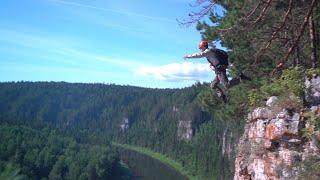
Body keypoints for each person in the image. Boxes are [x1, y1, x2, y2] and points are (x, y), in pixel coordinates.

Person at [183, 40, 250, 103]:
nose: (200, 49)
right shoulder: (209, 54)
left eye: (200, 48)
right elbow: (212, 63)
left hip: (220, 70)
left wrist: (188, 56)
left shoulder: (207, 52)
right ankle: (223, 96)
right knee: (213, 85)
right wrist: (212, 67)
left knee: (227, 85)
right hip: (218, 70)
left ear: (203, 47)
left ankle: (240, 77)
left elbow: (199, 55)